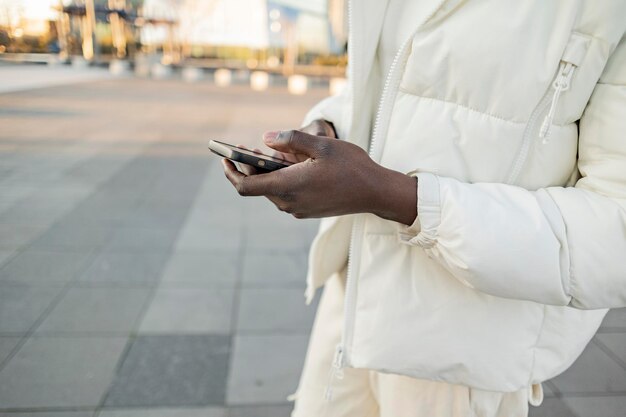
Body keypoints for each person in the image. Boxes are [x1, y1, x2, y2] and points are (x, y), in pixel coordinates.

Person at [222, 1, 626, 416]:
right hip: (354, 305)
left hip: (459, 353)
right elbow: (388, 86)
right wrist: (328, 129)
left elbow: (615, 233)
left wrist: (392, 195)